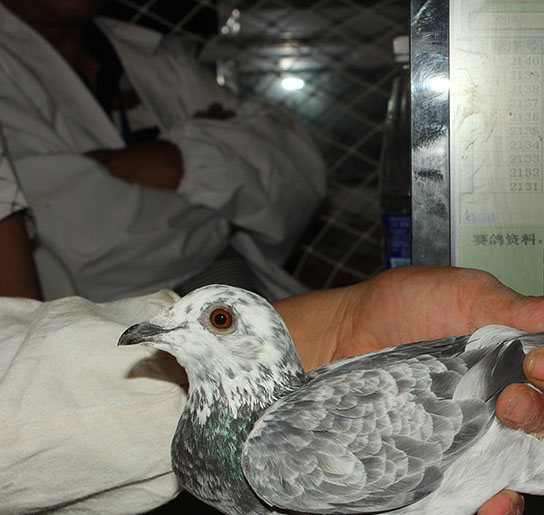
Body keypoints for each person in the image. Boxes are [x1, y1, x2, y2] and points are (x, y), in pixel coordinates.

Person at [0, 266, 544, 515]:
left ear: (260, 342)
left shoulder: (278, 454)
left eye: (218, 321)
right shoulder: (224, 450)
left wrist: (527, 353)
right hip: (470, 439)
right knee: (537, 461)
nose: (166, 331)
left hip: (483, 416)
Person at [0, 0, 327, 302]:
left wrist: (175, 158)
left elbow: (299, 172)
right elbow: (92, 247)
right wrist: (231, 210)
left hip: (244, 303)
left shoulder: (155, 54)